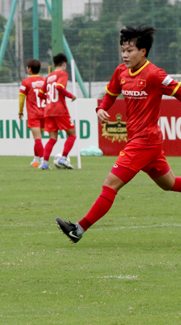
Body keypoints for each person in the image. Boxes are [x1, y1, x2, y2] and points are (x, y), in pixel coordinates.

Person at [57, 25, 181, 243]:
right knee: (169, 184)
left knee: (110, 184)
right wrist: (101, 108)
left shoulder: (155, 74)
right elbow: (110, 94)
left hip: (145, 141)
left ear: (143, 51)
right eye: (122, 50)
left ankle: (78, 229)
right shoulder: (121, 72)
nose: (125, 55)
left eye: (130, 50)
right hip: (142, 142)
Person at [38, 53, 77, 170]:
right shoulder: (63, 74)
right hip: (60, 109)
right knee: (72, 134)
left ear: (54, 64)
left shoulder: (49, 76)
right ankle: (63, 158)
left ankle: (44, 163)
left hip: (48, 110)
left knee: (52, 138)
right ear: (64, 64)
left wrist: (49, 100)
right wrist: (71, 96)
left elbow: (40, 93)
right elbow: (59, 87)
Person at [18, 59, 46, 168]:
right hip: (44, 113)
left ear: (29, 69)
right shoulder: (44, 81)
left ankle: (44, 162)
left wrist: (20, 111)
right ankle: (36, 160)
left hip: (34, 114)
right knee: (38, 138)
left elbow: (21, 98)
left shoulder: (25, 82)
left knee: (37, 139)